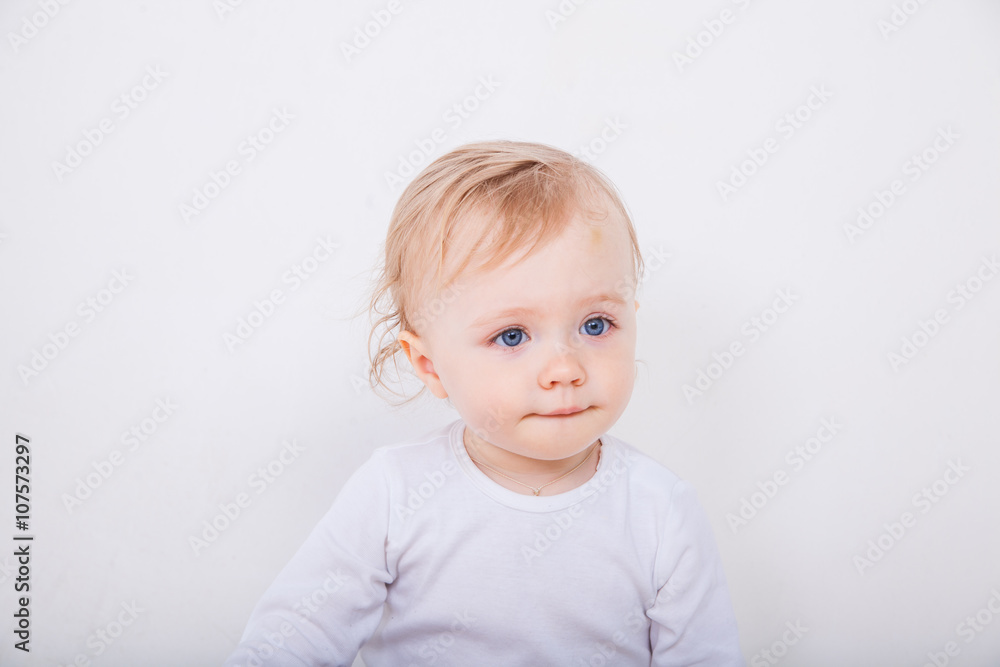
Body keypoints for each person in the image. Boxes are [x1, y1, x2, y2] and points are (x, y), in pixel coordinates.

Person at [224, 141, 744, 666]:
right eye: (513, 336)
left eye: (595, 325)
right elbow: (290, 640)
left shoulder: (661, 513)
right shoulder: (393, 494)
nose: (564, 368)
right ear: (429, 365)